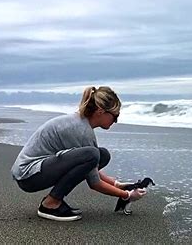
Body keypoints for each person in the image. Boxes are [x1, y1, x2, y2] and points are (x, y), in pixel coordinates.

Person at [11, 86, 146, 221]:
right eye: (115, 116)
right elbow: (94, 183)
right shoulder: (81, 131)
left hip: (36, 171)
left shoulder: (80, 123)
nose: (115, 121)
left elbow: (89, 169)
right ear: (100, 111)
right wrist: (127, 195)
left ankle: (53, 200)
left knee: (101, 154)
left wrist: (117, 184)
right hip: (28, 176)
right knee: (93, 154)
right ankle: (50, 204)